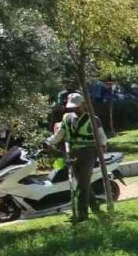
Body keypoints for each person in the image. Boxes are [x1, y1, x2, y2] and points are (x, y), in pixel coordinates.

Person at [45, 92, 108, 223]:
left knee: (82, 184)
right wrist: (48, 142)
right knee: (83, 184)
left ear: (84, 104)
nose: (75, 109)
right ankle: (95, 208)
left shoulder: (94, 119)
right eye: (73, 107)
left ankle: (81, 215)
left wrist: (102, 146)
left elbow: (102, 137)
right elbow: (59, 136)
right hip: (72, 153)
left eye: (77, 106)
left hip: (89, 153)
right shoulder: (66, 118)